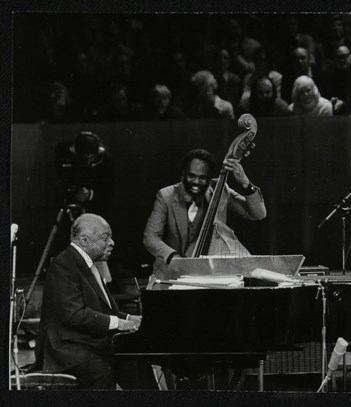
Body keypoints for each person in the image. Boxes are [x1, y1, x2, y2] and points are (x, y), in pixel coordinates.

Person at [34, 214, 142, 389]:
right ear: (84, 240)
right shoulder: (64, 264)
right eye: (105, 237)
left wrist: (131, 319)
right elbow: (74, 314)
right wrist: (119, 323)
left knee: (135, 363)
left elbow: (104, 310)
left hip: (87, 343)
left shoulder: (87, 263)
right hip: (67, 349)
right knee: (103, 371)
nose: (112, 242)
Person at [143, 148, 266, 278]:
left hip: (212, 274)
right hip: (171, 272)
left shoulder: (220, 190)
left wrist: (245, 183)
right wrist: (175, 258)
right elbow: (150, 238)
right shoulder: (165, 196)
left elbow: (258, 214)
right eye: (191, 176)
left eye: (202, 178)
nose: (196, 182)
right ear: (183, 174)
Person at [55, 131, 115, 217]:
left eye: (92, 157)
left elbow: (109, 190)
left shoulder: (106, 160)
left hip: (94, 206)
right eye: (86, 157)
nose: (89, 160)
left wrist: (90, 194)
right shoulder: (64, 152)